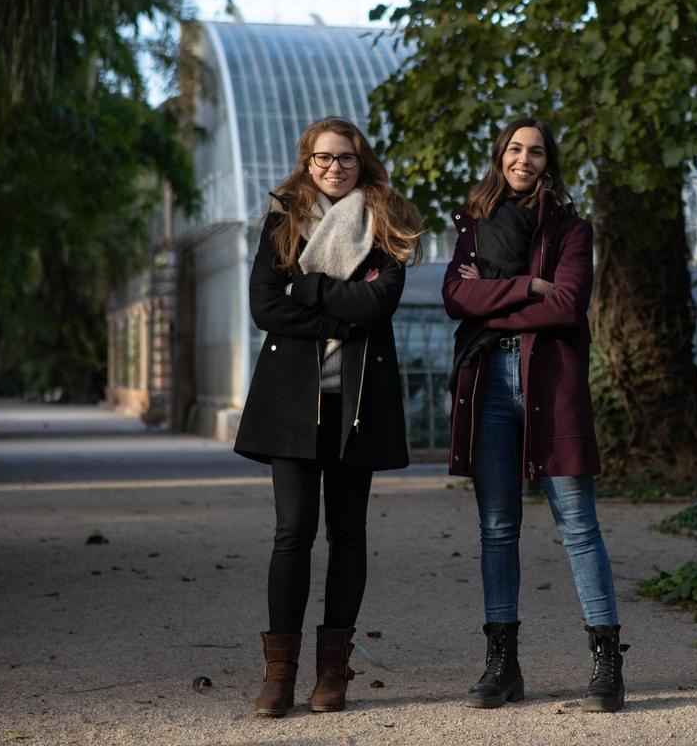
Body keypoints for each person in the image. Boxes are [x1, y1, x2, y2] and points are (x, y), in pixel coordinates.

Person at [234, 116, 421, 717]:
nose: (333, 168)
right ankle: (279, 675)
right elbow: (266, 308)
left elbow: (380, 301)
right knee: (292, 533)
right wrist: (345, 314)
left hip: (357, 403)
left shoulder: (388, 222)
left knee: (348, 534)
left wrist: (308, 289)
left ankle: (332, 674)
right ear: (306, 162)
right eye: (322, 158)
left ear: (361, 162)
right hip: (292, 403)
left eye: (344, 158)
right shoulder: (281, 222)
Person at [443, 117, 627, 713]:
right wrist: (530, 287)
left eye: (537, 151)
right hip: (489, 385)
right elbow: (453, 296)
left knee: (578, 524)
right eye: (515, 149)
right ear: (500, 155)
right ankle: (502, 665)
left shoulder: (571, 227)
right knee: (497, 528)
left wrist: (490, 306)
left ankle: (606, 665)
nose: (524, 159)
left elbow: (568, 307)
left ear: (550, 161)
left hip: (549, 381)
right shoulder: (472, 224)